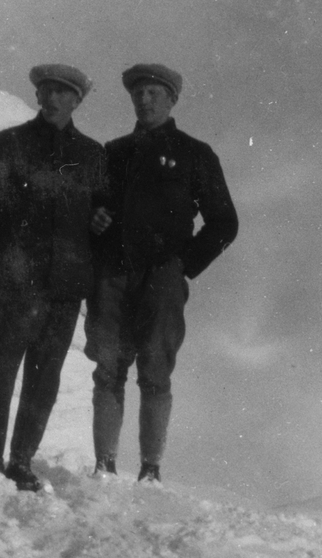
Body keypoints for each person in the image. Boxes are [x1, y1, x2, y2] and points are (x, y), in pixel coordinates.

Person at [86, 63, 239, 484]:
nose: (145, 100)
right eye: (139, 93)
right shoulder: (111, 153)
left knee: (155, 368)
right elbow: (90, 209)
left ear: (172, 100)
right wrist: (93, 219)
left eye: (155, 93)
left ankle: (151, 469)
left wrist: (182, 265)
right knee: (108, 368)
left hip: (162, 278)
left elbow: (225, 223)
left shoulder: (195, 154)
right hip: (113, 274)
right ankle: (105, 465)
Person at [0, 64, 108, 491]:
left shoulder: (92, 155)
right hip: (18, 283)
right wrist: (9, 262)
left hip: (65, 289)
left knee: (45, 378)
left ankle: (21, 462)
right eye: (44, 90)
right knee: (0, 372)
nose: (49, 98)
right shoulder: (10, 144)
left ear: (76, 101)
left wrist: (100, 222)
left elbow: (102, 216)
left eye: (60, 93)